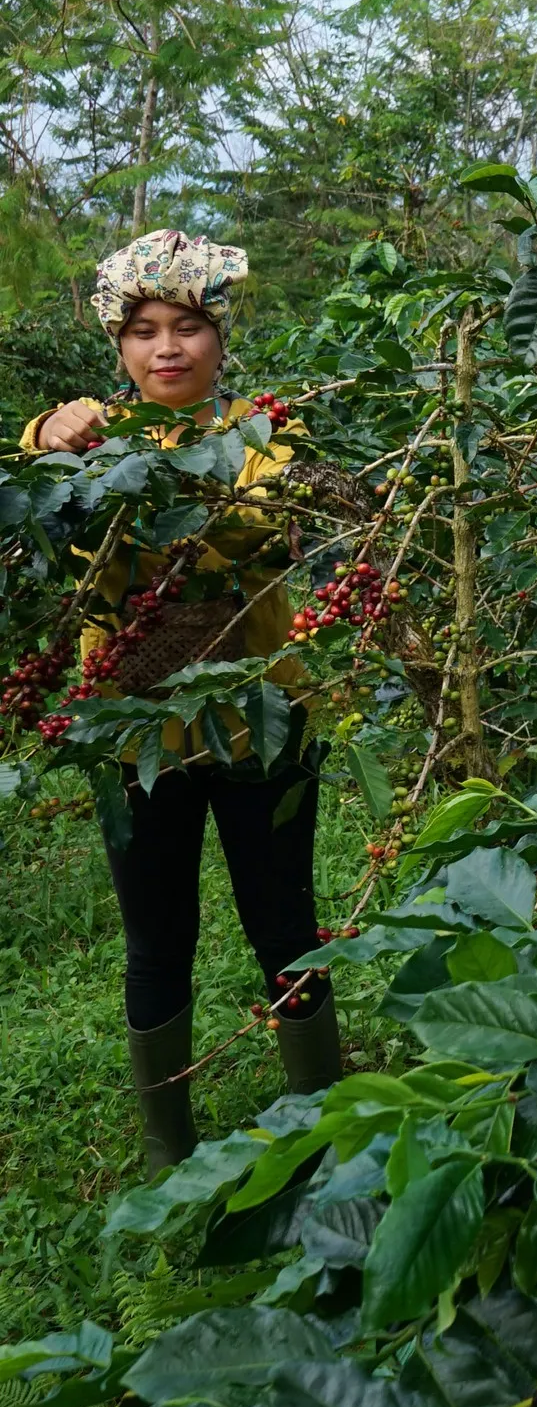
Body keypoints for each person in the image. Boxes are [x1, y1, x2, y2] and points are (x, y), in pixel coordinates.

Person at [23, 229, 341, 1171]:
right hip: (134, 737)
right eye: (145, 331)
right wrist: (47, 437)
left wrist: (178, 498)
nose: (168, 348)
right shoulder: (83, 442)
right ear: (117, 348)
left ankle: (323, 1126)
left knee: (285, 924)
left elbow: (265, 529)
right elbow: (34, 497)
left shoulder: (267, 436)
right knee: (156, 940)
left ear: (220, 337)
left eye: (190, 327)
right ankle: (168, 1148)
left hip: (262, 725)